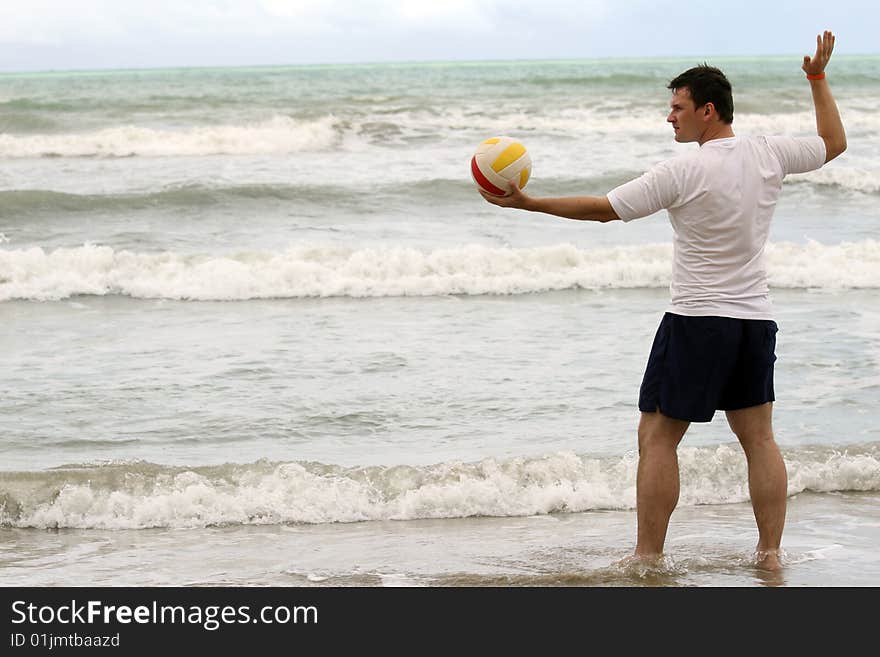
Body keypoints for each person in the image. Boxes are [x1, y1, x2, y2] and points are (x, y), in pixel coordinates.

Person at [480, 31, 846, 570]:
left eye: (677, 108)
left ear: (708, 110)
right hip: (753, 320)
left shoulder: (683, 170)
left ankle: (647, 557)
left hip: (697, 320)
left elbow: (604, 209)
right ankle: (770, 555)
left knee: (656, 436)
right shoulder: (768, 152)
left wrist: (528, 203)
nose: (669, 118)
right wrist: (816, 79)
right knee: (760, 439)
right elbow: (834, 143)